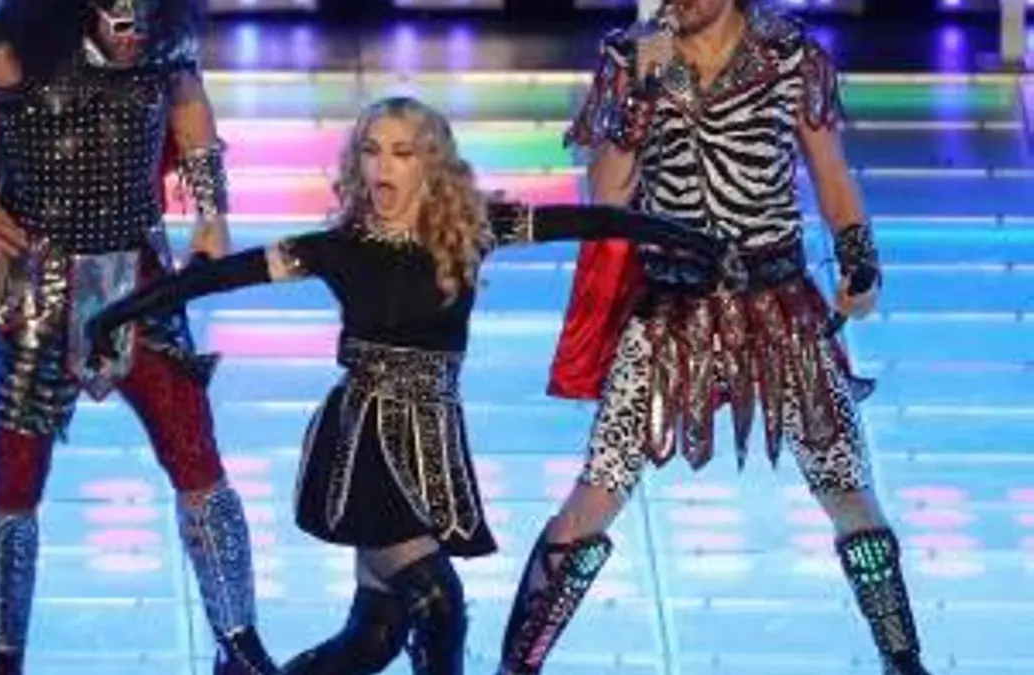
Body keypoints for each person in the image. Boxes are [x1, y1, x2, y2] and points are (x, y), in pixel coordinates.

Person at [84, 96, 729, 675]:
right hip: (363, 443)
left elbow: (592, 223)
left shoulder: (473, 231)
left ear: (431, 164)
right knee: (439, 604)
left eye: (401, 152)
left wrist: (689, 239)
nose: (382, 167)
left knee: (375, 636)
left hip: (431, 445)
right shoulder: (337, 248)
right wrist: (116, 314)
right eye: (371, 151)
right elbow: (218, 277)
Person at [495, 2, 934, 675]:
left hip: (779, 309)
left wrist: (858, 260)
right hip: (669, 310)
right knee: (597, 491)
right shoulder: (630, 57)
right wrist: (642, 93)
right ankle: (516, 666)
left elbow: (831, 174)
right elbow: (605, 195)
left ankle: (904, 662)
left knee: (847, 487)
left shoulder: (788, 54)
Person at [0, 1, 275, 673]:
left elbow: (189, 105)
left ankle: (239, 643)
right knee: (16, 477)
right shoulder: (6, 33)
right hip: (37, 289)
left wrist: (213, 214)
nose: (130, 25)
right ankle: (3, 656)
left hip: (140, 282)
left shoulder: (166, 29)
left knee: (197, 457)